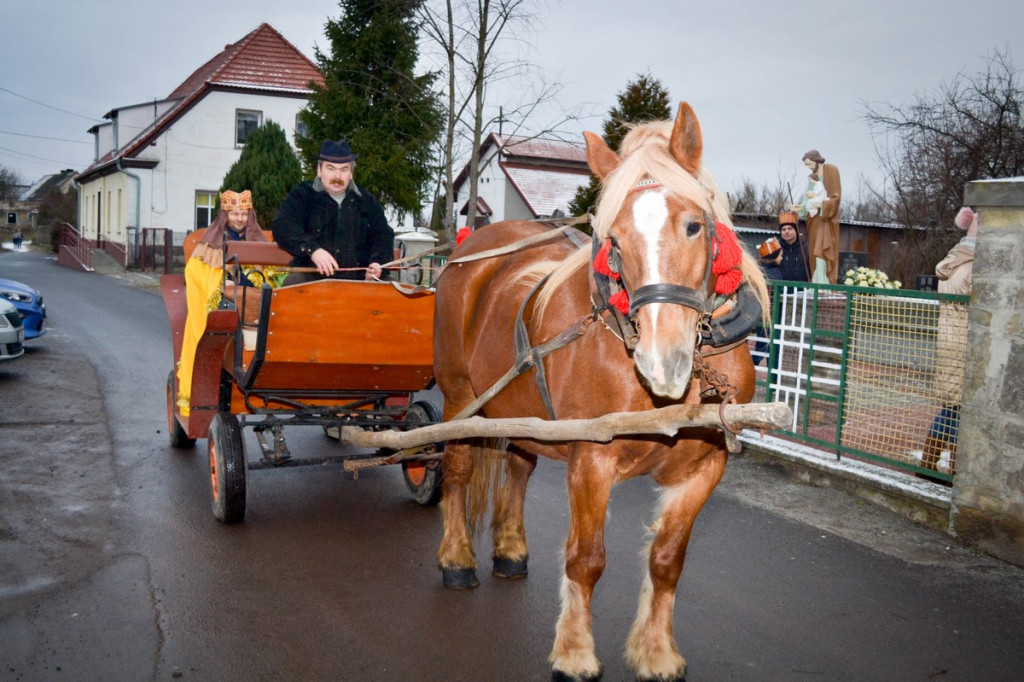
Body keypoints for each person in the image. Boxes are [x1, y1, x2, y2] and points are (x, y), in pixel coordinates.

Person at [177, 189, 269, 417]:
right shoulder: (212, 241)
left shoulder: (258, 239)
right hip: (225, 305)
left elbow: (272, 273)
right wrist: (220, 282)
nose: (239, 218)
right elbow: (196, 272)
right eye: (234, 213)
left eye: (244, 214)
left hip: (256, 304)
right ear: (225, 215)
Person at [272, 139, 394, 284]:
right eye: (331, 168)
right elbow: (283, 226)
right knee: (293, 285)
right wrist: (313, 250)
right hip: (313, 281)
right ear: (319, 170)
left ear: (351, 173)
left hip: (360, 282)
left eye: (343, 170)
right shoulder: (302, 196)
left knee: (393, 291)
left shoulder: (366, 201)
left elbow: (383, 234)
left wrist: (377, 263)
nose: (337, 176)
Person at [922, 206, 976, 477]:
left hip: (948, 339)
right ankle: (953, 470)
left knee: (953, 405)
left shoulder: (951, 262)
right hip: (966, 341)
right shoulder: (974, 267)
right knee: (961, 408)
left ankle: (929, 464)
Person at [754, 213, 810, 365]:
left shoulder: (806, 249)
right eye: (783, 229)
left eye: (789, 229)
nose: (786, 232)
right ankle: (765, 364)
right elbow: (764, 266)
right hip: (776, 300)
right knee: (770, 333)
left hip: (798, 299)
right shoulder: (775, 247)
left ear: (796, 230)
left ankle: (787, 367)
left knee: (790, 337)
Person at [792, 149, 841, 284]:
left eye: (809, 164)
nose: (809, 168)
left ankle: (824, 283)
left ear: (816, 160)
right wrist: (799, 208)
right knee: (814, 251)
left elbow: (835, 197)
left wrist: (822, 206)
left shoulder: (831, 170)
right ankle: (816, 282)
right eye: (806, 165)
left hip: (826, 220)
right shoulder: (812, 179)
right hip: (813, 220)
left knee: (822, 250)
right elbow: (807, 200)